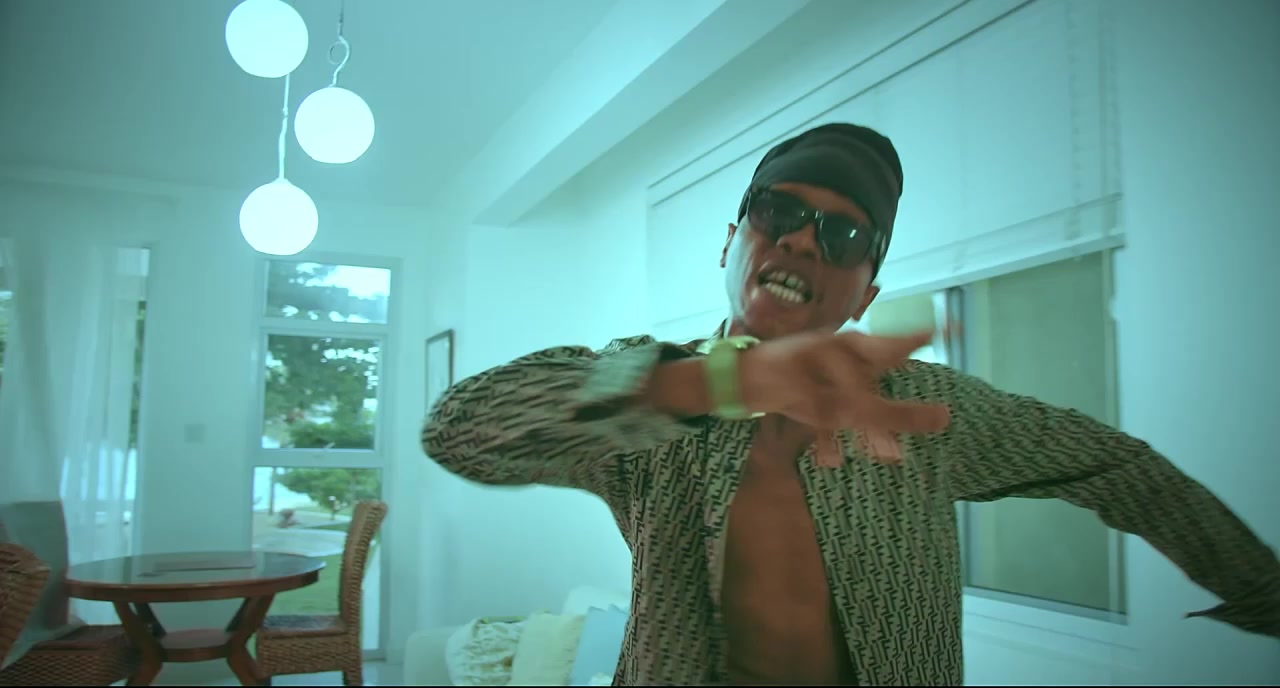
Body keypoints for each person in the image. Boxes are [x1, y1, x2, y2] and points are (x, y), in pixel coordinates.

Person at [422, 123, 1280, 686]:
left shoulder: (923, 407)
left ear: (866, 293)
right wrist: (719, 383)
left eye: (844, 235)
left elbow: (1112, 462)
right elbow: (461, 430)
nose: (802, 238)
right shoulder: (648, 390)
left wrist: (1263, 593)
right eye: (778, 211)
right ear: (733, 241)